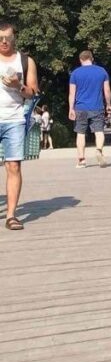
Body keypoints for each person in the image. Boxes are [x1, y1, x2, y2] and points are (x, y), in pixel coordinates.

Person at [0, 22, 38, 230]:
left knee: (13, 166)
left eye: (8, 38)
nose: (4, 42)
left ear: (14, 38)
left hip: (14, 119)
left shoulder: (25, 61)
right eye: (0, 38)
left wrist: (18, 85)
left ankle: (11, 215)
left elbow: (32, 92)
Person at [69, 49, 111, 169]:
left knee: (81, 133)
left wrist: (71, 109)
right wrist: (108, 104)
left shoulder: (75, 73)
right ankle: (99, 150)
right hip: (97, 106)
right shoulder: (101, 71)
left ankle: (82, 160)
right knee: (99, 131)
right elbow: (107, 90)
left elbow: (72, 94)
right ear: (92, 59)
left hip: (80, 107)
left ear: (80, 60)